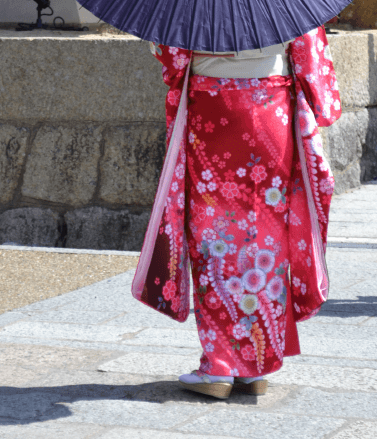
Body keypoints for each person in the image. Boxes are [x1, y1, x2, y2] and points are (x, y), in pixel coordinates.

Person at [131, 28, 341, 399]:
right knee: (267, 234)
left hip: (213, 109)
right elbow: (309, 52)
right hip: (271, 108)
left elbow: (172, 57)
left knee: (215, 236)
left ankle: (220, 366)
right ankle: (258, 363)